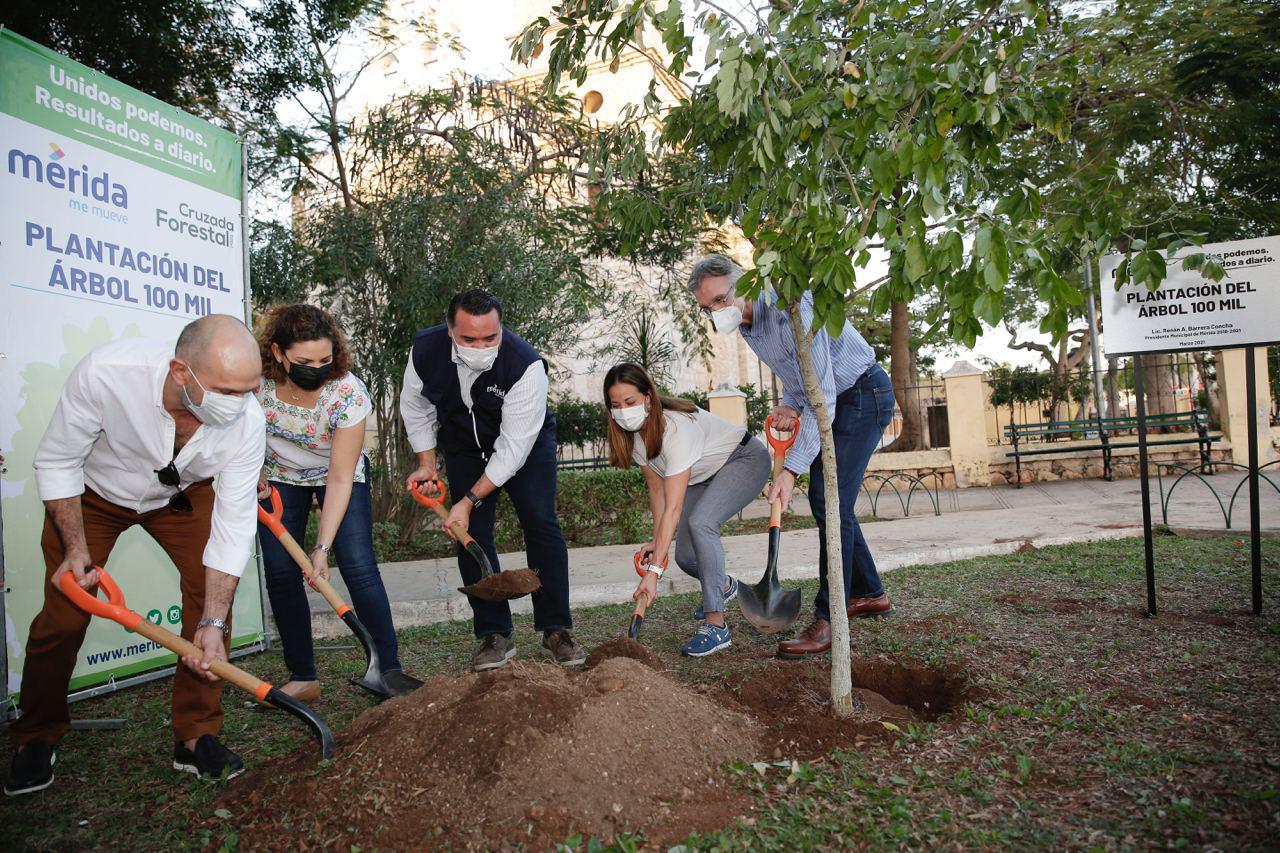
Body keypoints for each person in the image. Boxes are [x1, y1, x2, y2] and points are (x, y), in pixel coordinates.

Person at [5, 316, 265, 797]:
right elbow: (59, 459)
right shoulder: (107, 374)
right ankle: (36, 734)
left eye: (251, 389)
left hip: (181, 497)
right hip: (94, 498)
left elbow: (232, 526)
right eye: (228, 391)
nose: (242, 404)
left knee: (212, 609)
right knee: (63, 616)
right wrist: (76, 550)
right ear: (181, 371)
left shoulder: (247, 420)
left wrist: (213, 616)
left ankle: (196, 734)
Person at [687, 254, 896, 658]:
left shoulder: (790, 309)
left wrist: (791, 471)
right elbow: (801, 378)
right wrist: (790, 404)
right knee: (833, 503)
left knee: (827, 500)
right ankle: (869, 592)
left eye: (720, 299)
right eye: (707, 307)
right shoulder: (749, 325)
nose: (717, 311)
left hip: (862, 396)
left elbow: (827, 395)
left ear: (744, 285)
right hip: (833, 401)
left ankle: (830, 617)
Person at [401, 289, 584, 671]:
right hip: (464, 446)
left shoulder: (525, 365)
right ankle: (494, 633)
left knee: (541, 523)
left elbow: (512, 451)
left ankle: (556, 630)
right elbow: (415, 407)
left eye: (490, 337)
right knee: (472, 536)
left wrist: (466, 501)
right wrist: (427, 463)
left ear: (501, 328)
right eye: (469, 338)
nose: (481, 346)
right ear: (450, 329)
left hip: (526, 447)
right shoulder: (424, 350)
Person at [255, 304, 422, 701]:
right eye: (304, 360)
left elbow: (340, 477)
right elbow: (235, 429)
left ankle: (388, 668)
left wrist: (321, 548)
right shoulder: (256, 384)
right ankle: (303, 677)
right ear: (278, 353)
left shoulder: (346, 392)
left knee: (359, 565)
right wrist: (251, 467)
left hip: (338, 473)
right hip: (277, 478)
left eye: (325, 359)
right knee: (280, 574)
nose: (316, 367)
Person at [604, 364, 771, 656]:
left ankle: (716, 625)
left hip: (743, 459)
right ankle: (724, 585)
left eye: (629, 402)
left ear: (648, 397)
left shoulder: (676, 429)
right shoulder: (637, 438)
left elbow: (675, 508)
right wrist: (658, 543)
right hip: (702, 475)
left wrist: (653, 572)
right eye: (615, 405)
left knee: (702, 523)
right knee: (684, 557)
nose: (623, 411)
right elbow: (657, 492)